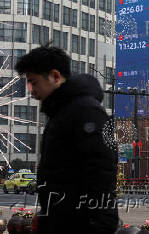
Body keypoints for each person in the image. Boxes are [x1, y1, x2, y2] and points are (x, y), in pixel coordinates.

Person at [15, 47, 119, 234]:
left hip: (81, 225)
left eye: (33, 82)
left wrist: (101, 226)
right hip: (63, 221)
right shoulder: (61, 112)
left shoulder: (86, 112)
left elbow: (102, 173)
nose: (30, 90)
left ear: (55, 76)